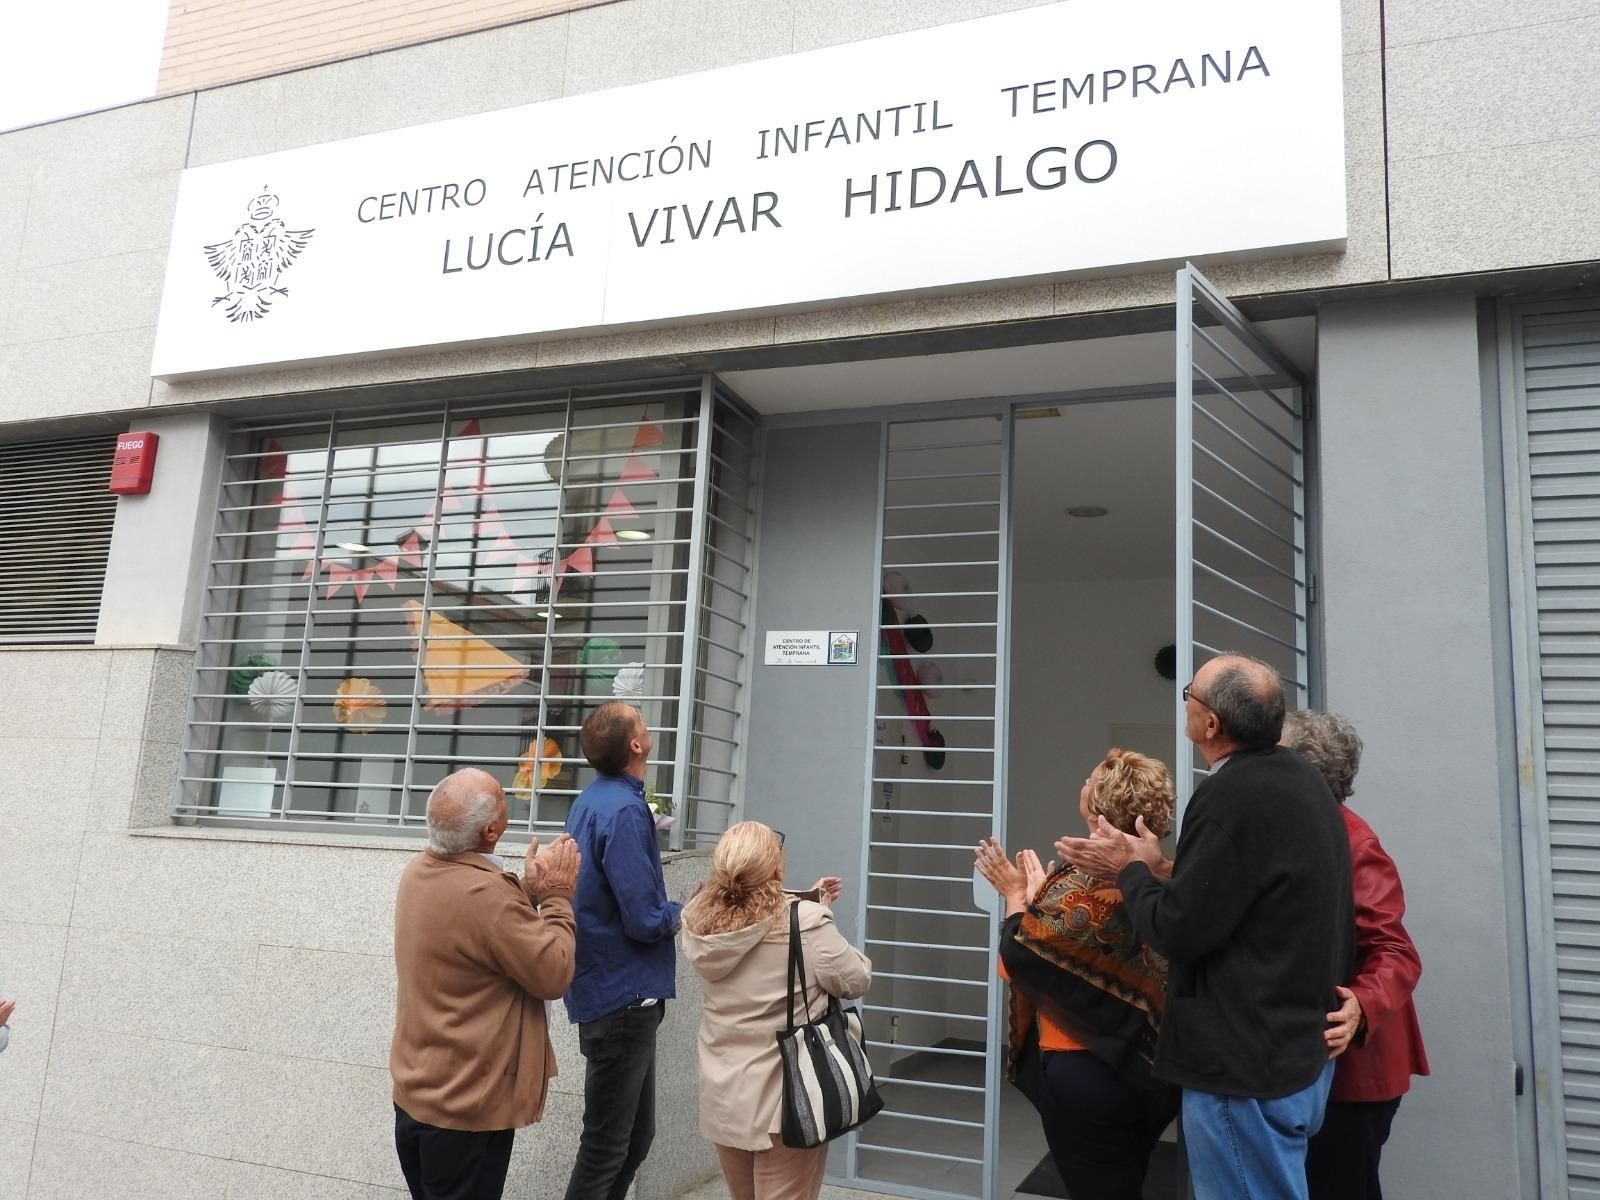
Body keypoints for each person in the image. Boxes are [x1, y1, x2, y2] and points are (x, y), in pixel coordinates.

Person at [1057, 654, 1354, 1200]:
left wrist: (1130, 871)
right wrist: (1165, 870)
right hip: (1295, 1057)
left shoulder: (1229, 796)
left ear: (1210, 724)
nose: (1186, 703)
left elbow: (1180, 930)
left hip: (1241, 1069)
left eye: (1189, 694)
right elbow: (1252, 899)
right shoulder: (1304, 784)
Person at [975, 748, 1180, 1200]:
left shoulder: (1079, 884)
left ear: (1100, 808)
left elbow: (1016, 960)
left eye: (1090, 780)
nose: (1081, 784)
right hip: (1154, 1069)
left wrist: (1016, 899)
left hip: (1085, 1071)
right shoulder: (1168, 878)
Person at [390, 767, 580, 1200]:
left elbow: (483, 931)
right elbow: (554, 972)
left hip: (419, 1100)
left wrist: (526, 892)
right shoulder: (487, 898)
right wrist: (555, 899)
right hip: (464, 1113)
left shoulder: (419, 872)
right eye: (503, 797)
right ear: (492, 829)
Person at [1281, 710, 1430, 1200]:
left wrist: (1361, 1003)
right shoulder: (1299, 830)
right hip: (1318, 1064)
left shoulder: (1354, 840)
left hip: (1356, 1071)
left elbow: (1395, 950)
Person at [679, 821, 869, 1200]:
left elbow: (755, 916)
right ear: (778, 869)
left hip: (724, 1095)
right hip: (786, 1099)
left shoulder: (697, 921)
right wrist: (815, 914)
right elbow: (855, 979)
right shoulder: (808, 924)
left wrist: (808, 903)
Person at [562, 701, 683, 1200]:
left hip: (611, 991)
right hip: (622, 997)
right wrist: (684, 911)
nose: (647, 724)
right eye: (640, 720)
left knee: (634, 1139)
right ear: (635, 745)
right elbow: (644, 920)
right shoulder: (626, 810)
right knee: (609, 1147)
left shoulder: (590, 801)